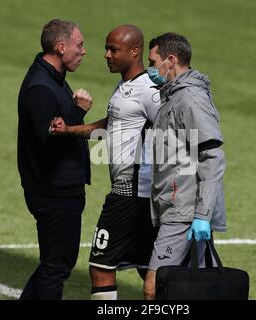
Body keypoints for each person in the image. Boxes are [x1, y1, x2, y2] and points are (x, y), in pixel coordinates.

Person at [51, 25, 160, 300]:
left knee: (101, 268)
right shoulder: (125, 85)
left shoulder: (149, 90)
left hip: (130, 194)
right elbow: (113, 125)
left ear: (135, 51)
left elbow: (174, 129)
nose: (106, 55)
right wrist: (71, 131)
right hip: (138, 195)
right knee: (149, 269)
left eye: (114, 50)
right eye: (107, 49)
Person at [143, 33, 226, 300]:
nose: (150, 69)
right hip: (175, 204)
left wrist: (202, 215)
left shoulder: (190, 99)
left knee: (153, 285)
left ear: (171, 60)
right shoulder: (174, 95)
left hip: (184, 209)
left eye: (152, 62)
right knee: (195, 287)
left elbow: (212, 157)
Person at [17, 19, 92, 299]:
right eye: (79, 44)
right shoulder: (41, 88)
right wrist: (77, 111)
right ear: (61, 47)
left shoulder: (51, 78)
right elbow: (48, 144)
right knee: (56, 267)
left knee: (56, 264)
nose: (84, 51)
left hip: (61, 190)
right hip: (52, 192)